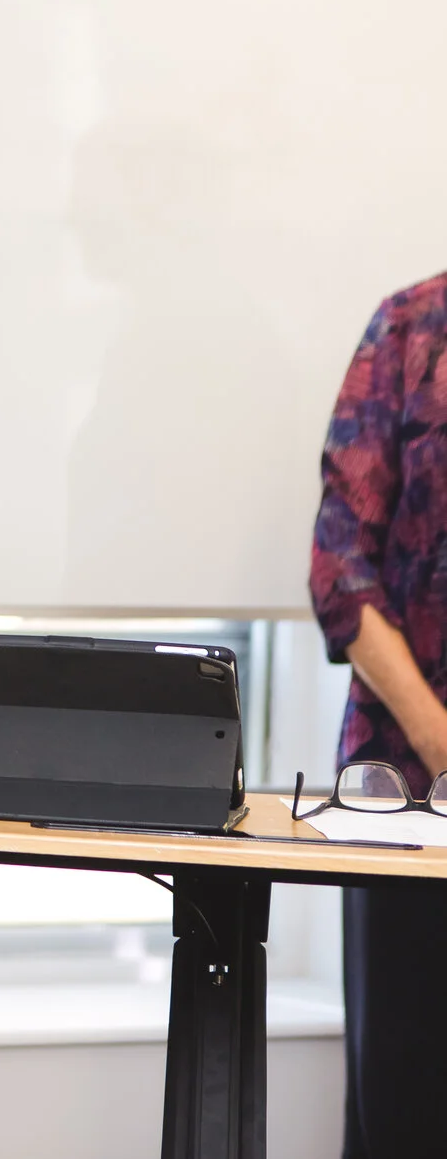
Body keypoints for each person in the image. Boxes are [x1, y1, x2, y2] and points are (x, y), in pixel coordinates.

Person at [309, 272, 447, 1159]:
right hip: (407, 798)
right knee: (405, 1109)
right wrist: (442, 739)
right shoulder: (412, 326)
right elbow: (339, 572)